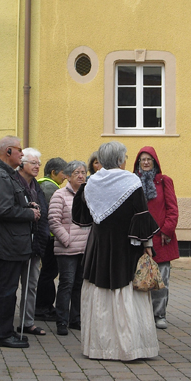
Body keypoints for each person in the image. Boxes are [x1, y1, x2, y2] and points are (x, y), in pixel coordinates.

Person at [72, 141, 160, 361]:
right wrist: (147, 246)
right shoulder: (131, 180)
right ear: (120, 159)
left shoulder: (91, 181)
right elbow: (141, 215)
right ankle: (129, 347)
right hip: (126, 247)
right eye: (126, 157)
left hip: (99, 246)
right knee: (127, 292)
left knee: (99, 292)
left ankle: (100, 347)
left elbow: (82, 217)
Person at [0, 136, 41, 349]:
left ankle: (6, 332)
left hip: (12, 242)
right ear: (8, 151)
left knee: (8, 290)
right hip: (7, 243)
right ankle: (2, 335)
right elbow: (4, 209)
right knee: (6, 291)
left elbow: (11, 203)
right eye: (19, 150)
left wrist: (28, 205)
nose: (22, 154)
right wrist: (29, 214)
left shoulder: (7, 174)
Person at [132, 147, 179, 330]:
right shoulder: (132, 182)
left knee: (161, 281)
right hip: (138, 239)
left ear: (155, 162)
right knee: (139, 279)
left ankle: (159, 314)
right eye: (142, 159)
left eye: (149, 159)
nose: (145, 162)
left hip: (161, 239)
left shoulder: (164, 181)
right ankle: (141, 315)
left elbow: (172, 209)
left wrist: (167, 231)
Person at [49, 160, 90, 336]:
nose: (81, 176)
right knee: (66, 283)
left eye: (83, 172)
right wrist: (67, 240)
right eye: (76, 173)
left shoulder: (89, 194)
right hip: (67, 249)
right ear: (68, 176)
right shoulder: (59, 195)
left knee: (79, 285)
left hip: (85, 248)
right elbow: (53, 221)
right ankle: (62, 321)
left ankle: (76, 319)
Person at [15, 148, 50, 336]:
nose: (37, 166)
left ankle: (27, 322)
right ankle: (3, 321)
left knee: (31, 285)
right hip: (15, 243)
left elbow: (43, 215)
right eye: (34, 163)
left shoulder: (37, 187)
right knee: (11, 284)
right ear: (22, 164)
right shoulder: (14, 183)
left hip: (34, 243)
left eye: (39, 163)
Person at [34, 157, 66, 322]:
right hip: (50, 238)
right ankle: (42, 307)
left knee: (48, 272)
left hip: (48, 236)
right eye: (63, 173)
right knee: (48, 273)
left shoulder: (44, 184)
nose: (65, 177)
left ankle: (44, 306)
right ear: (53, 172)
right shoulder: (49, 187)